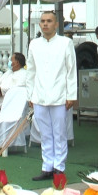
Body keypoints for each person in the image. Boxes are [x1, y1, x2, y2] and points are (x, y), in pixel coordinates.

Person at [26, 11, 77, 181]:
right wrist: (30, 95)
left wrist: (72, 95)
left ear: (56, 24)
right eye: (42, 21)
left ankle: (59, 167)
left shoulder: (65, 43)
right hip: (39, 95)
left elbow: (71, 71)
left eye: (49, 21)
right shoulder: (34, 44)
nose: (45, 24)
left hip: (59, 95)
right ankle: (47, 166)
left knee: (59, 133)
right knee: (45, 134)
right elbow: (31, 71)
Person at [0, 52, 27, 117]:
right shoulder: (9, 72)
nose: (9, 62)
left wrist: (0, 90)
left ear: (17, 62)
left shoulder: (24, 74)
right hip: (0, 105)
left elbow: (15, 89)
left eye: (11, 60)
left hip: (12, 108)